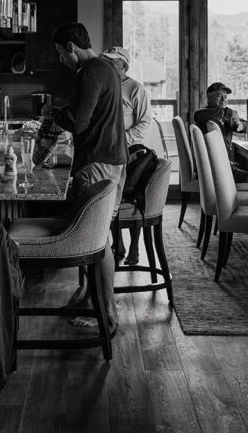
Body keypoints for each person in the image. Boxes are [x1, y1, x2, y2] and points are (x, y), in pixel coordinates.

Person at [47, 23, 127, 330]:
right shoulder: (104, 68)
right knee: (98, 237)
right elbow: (87, 114)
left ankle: (107, 316)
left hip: (97, 163)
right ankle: (95, 302)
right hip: (110, 161)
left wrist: (51, 112)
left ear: (70, 46)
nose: (59, 59)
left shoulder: (91, 71)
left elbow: (78, 123)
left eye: (59, 52)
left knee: (97, 239)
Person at [101, 45, 152, 266]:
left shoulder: (136, 89)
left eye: (113, 61)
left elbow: (144, 123)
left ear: (124, 65)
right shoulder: (103, 87)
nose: (109, 65)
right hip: (107, 150)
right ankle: (116, 242)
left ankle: (133, 246)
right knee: (107, 192)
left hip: (130, 150)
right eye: (107, 61)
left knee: (131, 191)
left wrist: (122, 139)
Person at [193, 82, 248, 183]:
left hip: (224, 164)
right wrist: (231, 112)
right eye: (220, 96)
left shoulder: (226, 117)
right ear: (209, 96)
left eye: (225, 97)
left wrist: (241, 125)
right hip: (213, 168)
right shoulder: (202, 114)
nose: (224, 99)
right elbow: (208, 114)